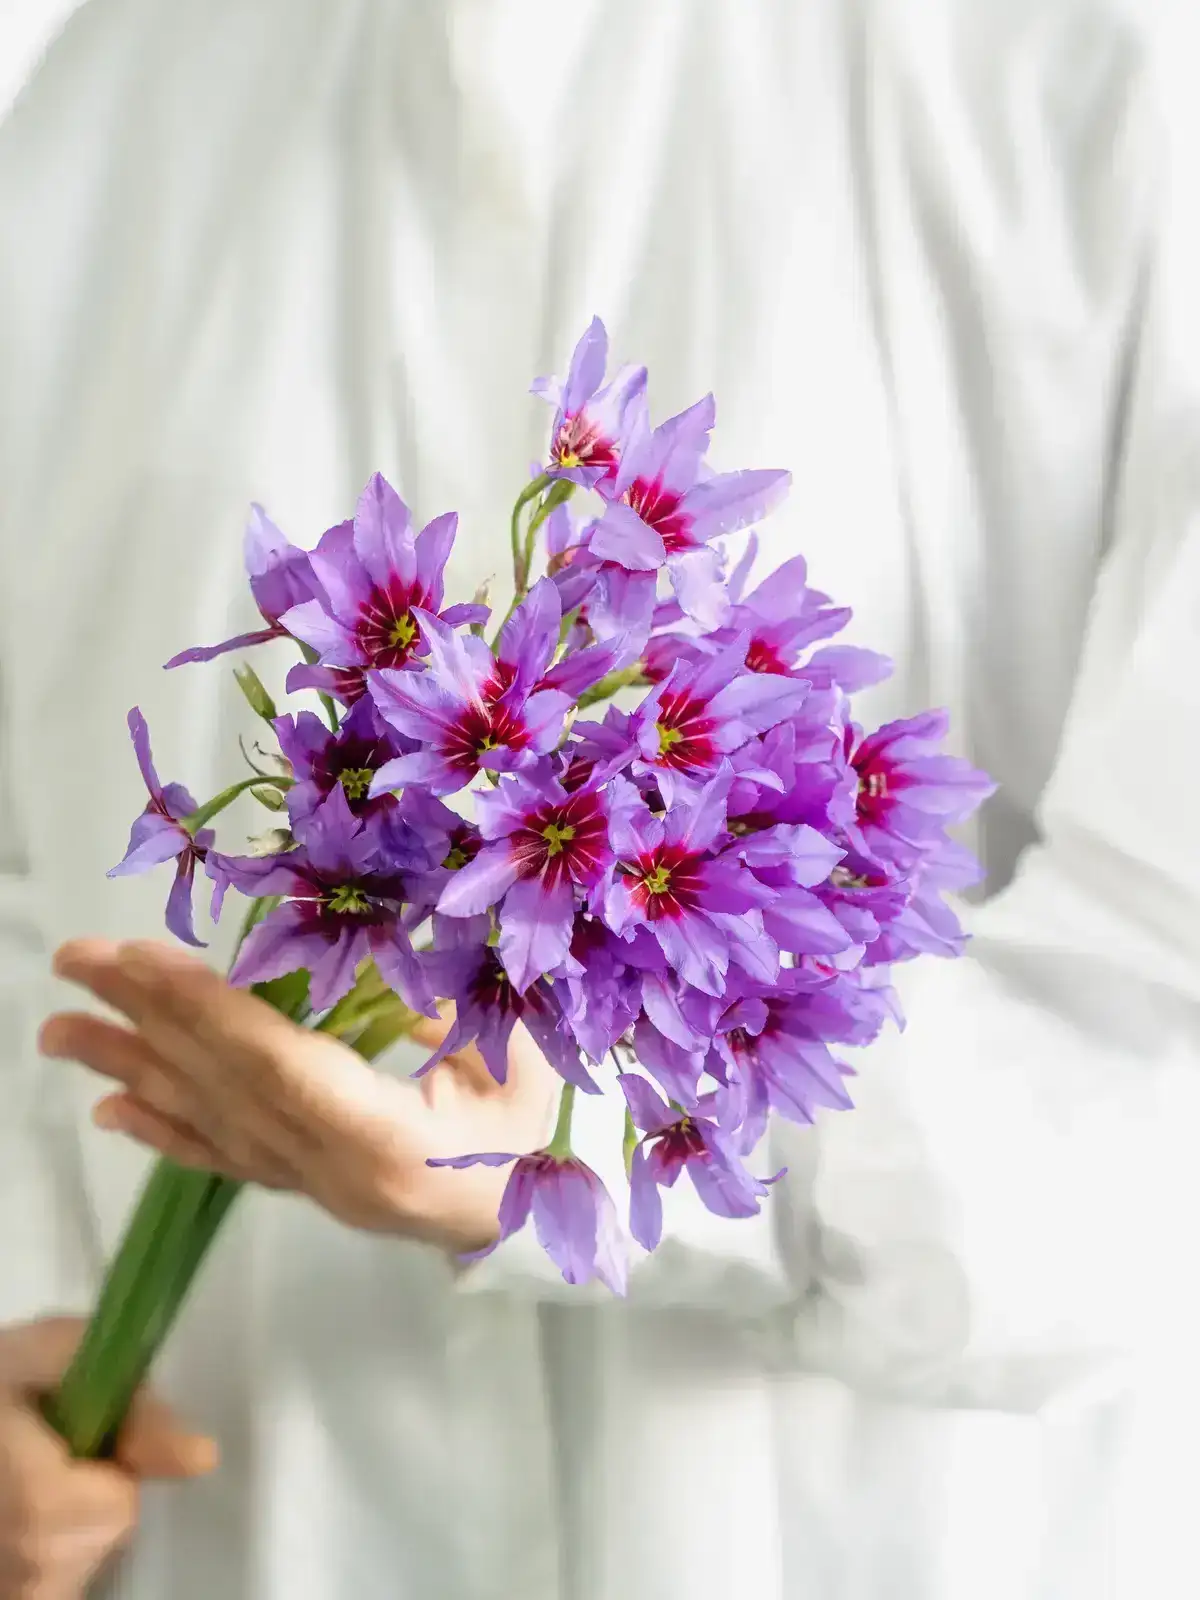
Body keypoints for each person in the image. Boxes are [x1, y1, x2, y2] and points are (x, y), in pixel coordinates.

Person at [1, 1, 1198, 1596]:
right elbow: (18, 885)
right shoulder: (107, 101)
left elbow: (1160, 1028)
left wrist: (622, 1147)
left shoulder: (1110, 77)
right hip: (223, 1518)